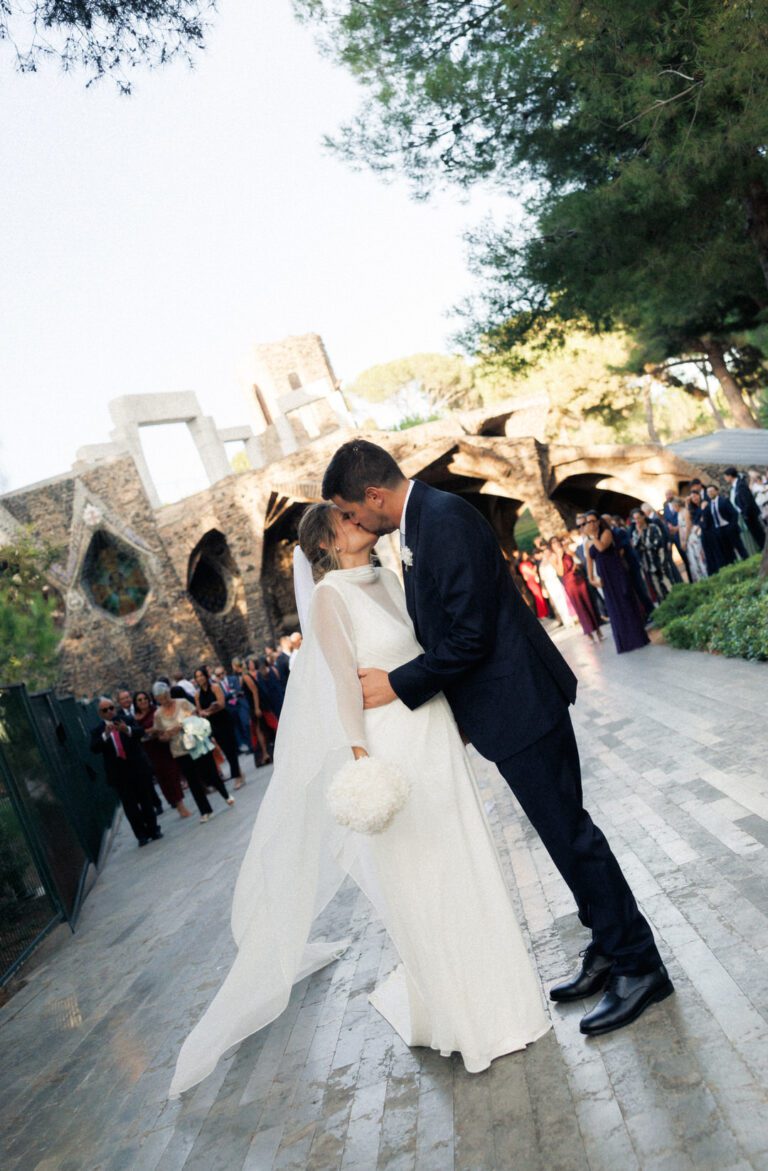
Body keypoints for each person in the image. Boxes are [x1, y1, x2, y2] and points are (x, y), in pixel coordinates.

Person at [170, 502, 552, 1099]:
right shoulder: (330, 598)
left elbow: (426, 657)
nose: (359, 521)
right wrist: (360, 758)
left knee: (467, 863)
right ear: (327, 541)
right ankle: (466, 1019)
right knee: (427, 878)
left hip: (433, 735)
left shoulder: (390, 577)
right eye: (346, 520)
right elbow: (341, 686)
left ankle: (507, 1000)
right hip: (392, 748)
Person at [325, 440, 670, 1037]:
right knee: (562, 837)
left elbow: (470, 636)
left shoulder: (442, 520)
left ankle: (640, 965)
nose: (353, 521)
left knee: (573, 835)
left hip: (521, 702)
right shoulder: (421, 521)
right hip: (507, 706)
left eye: (352, 511)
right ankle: (609, 944)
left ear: (374, 495)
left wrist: (397, 684)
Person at [152, 681, 235, 822]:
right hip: (179, 750)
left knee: (209, 773)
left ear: (168, 693)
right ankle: (205, 811)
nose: (164, 700)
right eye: (160, 699)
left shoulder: (182, 703)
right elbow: (160, 735)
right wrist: (167, 735)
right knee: (193, 781)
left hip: (195, 744)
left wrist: (182, 725)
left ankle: (226, 795)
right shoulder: (158, 714)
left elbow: (195, 717)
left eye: (165, 696)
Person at [90, 697, 162, 847]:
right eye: (105, 710)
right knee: (130, 806)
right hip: (119, 773)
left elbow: (140, 732)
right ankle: (141, 835)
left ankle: (154, 829)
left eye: (111, 708)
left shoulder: (127, 720)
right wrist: (105, 735)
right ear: (100, 713)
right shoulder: (98, 730)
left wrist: (127, 730)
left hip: (137, 768)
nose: (109, 712)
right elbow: (94, 748)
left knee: (146, 801)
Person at [582, 513, 649, 654]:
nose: (590, 524)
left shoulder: (606, 533)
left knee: (625, 603)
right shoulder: (588, 542)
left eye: (592, 521)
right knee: (614, 608)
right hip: (604, 577)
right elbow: (589, 561)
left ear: (598, 522)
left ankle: (637, 638)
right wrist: (591, 578)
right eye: (587, 522)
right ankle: (624, 642)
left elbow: (601, 547)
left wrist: (592, 536)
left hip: (616, 573)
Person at [133, 690, 191, 818]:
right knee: (162, 779)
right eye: (139, 700)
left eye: (145, 698)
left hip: (163, 746)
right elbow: (134, 733)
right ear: (136, 703)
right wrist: (148, 731)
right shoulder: (135, 718)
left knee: (172, 774)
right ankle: (175, 803)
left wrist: (148, 731)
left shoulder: (156, 711)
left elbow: (162, 726)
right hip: (148, 751)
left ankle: (181, 805)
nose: (143, 701)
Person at [195, 665, 246, 790]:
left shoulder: (215, 687)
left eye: (201, 675)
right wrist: (205, 712)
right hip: (212, 724)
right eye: (197, 677)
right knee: (226, 750)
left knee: (231, 749)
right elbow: (199, 711)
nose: (200, 678)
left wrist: (209, 711)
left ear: (206, 676)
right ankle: (239, 773)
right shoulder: (197, 694)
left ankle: (237, 777)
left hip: (224, 720)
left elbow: (222, 704)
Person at [549, 535, 603, 642]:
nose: (557, 544)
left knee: (589, 603)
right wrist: (559, 556)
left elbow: (579, 561)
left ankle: (597, 629)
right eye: (554, 543)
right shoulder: (553, 558)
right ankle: (588, 632)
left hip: (579, 579)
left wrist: (576, 564)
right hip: (570, 584)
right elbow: (560, 572)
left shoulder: (567, 551)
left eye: (557, 541)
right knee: (580, 607)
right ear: (551, 546)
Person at [631, 509, 674, 602]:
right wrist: (640, 534)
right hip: (648, 565)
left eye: (638, 518)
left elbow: (657, 543)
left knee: (668, 584)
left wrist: (645, 547)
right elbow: (636, 548)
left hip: (660, 561)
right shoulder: (635, 533)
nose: (637, 521)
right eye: (635, 519)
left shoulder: (653, 527)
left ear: (643, 516)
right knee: (657, 589)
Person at [702, 485, 747, 567]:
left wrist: (732, 526)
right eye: (708, 492)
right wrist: (703, 509)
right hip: (719, 531)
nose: (710, 493)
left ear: (716, 491)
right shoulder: (708, 506)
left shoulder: (724, 501)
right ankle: (734, 565)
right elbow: (707, 521)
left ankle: (747, 560)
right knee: (727, 551)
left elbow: (734, 514)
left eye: (711, 491)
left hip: (729, 527)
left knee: (739, 546)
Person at [725, 465, 766, 550]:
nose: (725, 479)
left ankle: (765, 549)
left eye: (726, 476)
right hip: (747, 514)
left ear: (730, 476)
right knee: (756, 534)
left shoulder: (740, 485)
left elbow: (747, 501)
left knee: (759, 533)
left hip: (750, 514)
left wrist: (745, 514)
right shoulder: (736, 486)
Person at [517, 552, 549, 619]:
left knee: (541, 596)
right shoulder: (522, 565)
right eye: (525, 555)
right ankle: (542, 614)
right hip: (531, 582)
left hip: (535, 580)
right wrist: (534, 569)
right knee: (538, 597)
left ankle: (546, 612)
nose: (526, 555)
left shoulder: (528, 562)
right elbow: (532, 573)